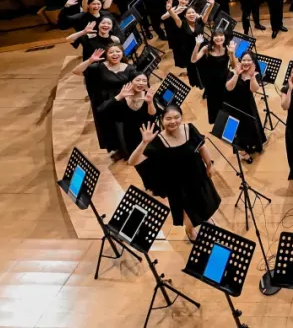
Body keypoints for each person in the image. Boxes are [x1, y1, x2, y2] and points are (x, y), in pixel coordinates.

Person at [129, 105, 221, 242]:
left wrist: (209, 165)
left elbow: (202, 146)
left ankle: (206, 218)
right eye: (168, 118)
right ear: (162, 120)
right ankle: (189, 230)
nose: (173, 121)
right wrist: (144, 143)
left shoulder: (189, 129)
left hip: (198, 176)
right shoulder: (158, 141)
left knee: (204, 201)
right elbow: (132, 161)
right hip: (177, 185)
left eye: (177, 117)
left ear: (182, 117)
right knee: (187, 213)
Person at [72, 44, 137, 156]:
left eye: (118, 51)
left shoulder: (130, 68)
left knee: (125, 128)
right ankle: (120, 150)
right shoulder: (98, 67)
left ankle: (128, 151)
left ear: (122, 53)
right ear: (106, 55)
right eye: (111, 52)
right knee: (112, 129)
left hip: (125, 102)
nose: (115, 54)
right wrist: (90, 60)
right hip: (107, 103)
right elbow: (76, 71)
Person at [97, 74, 160, 189]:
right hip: (132, 138)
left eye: (144, 81)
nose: (141, 83)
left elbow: (153, 116)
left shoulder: (148, 95)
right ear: (131, 81)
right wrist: (119, 96)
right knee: (140, 167)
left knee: (157, 165)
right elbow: (101, 110)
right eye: (138, 80)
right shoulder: (122, 98)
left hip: (151, 136)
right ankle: (150, 187)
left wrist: (150, 102)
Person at [223, 54, 265, 158]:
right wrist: (237, 74)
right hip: (234, 104)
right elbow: (228, 88)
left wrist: (252, 76)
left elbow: (254, 89)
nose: (246, 62)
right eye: (244, 60)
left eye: (249, 60)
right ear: (240, 61)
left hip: (248, 104)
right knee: (238, 129)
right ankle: (242, 150)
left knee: (251, 125)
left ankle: (253, 146)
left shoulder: (255, 74)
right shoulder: (233, 72)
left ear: (253, 62)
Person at [168, 0, 215, 86]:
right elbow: (175, 17)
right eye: (189, 13)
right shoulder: (182, 23)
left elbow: (207, 12)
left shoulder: (200, 21)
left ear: (196, 13)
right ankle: (199, 84)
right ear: (185, 16)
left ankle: (207, 83)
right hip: (189, 50)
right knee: (194, 69)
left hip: (202, 48)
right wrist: (170, 10)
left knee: (205, 67)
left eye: (193, 12)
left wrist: (211, 4)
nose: (191, 14)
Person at [191, 32, 234, 125]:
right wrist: (197, 45)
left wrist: (232, 53)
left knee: (226, 103)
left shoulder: (227, 48)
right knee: (213, 104)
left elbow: (234, 66)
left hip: (224, 80)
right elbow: (193, 60)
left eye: (221, 35)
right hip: (211, 82)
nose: (218, 38)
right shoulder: (207, 48)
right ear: (212, 37)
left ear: (224, 37)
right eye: (216, 35)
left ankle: (226, 124)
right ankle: (217, 125)